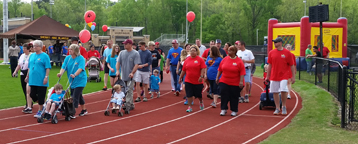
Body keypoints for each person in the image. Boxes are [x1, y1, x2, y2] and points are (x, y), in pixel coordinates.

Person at [266, 37, 295, 116]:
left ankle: (284, 106)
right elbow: (270, 65)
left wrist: (293, 76)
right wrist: (267, 76)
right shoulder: (271, 52)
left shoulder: (287, 53)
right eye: (274, 42)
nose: (275, 44)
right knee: (275, 91)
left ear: (281, 43)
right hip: (274, 75)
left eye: (276, 42)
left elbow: (292, 65)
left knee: (283, 89)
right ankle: (277, 108)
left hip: (284, 75)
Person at [57, 44, 88, 118]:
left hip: (80, 80)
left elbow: (80, 68)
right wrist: (60, 73)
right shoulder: (67, 58)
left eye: (71, 49)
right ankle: (84, 109)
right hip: (72, 80)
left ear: (75, 50)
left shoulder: (81, 58)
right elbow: (64, 66)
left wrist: (75, 74)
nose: (69, 51)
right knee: (79, 95)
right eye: (69, 49)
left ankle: (71, 112)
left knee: (74, 96)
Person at [24, 40, 51, 118]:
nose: (34, 47)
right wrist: (27, 76)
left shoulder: (45, 56)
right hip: (33, 79)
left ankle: (40, 110)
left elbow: (48, 68)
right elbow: (29, 67)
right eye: (33, 46)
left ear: (40, 47)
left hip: (41, 79)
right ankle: (44, 105)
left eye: (35, 46)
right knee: (32, 94)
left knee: (41, 95)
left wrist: (46, 77)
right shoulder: (31, 55)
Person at [216, 46, 245, 116]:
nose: (229, 52)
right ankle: (223, 109)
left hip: (235, 82)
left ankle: (234, 110)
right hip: (224, 80)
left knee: (234, 96)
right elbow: (220, 69)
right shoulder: (225, 59)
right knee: (223, 94)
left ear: (235, 52)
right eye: (228, 51)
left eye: (231, 51)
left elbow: (242, 72)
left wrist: (241, 82)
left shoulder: (239, 61)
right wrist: (217, 77)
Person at [116, 39, 141, 114]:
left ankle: (127, 105)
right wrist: (117, 70)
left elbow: (136, 64)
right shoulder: (122, 53)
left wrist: (132, 72)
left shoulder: (135, 53)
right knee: (124, 90)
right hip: (123, 75)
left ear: (130, 44)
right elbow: (118, 62)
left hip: (131, 76)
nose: (124, 45)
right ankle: (131, 105)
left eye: (126, 44)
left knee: (129, 90)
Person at [179, 45, 206, 112]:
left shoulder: (200, 59)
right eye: (191, 51)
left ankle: (201, 102)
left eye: (194, 51)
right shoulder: (187, 60)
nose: (192, 52)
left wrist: (202, 76)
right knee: (189, 94)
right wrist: (180, 78)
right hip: (188, 80)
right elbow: (183, 70)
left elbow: (203, 68)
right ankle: (189, 106)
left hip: (198, 80)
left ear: (197, 52)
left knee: (198, 94)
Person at [13, 43, 33, 111]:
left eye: (24, 48)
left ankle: (29, 103)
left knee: (29, 90)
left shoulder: (31, 56)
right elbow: (19, 65)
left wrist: (28, 75)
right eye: (23, 48)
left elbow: (30, 66)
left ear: (28, 49)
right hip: (22, 72)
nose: (23, 49)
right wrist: (15, 71)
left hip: (29, 73)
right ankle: (28, 102)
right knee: (24, 89)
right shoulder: (22, 55)